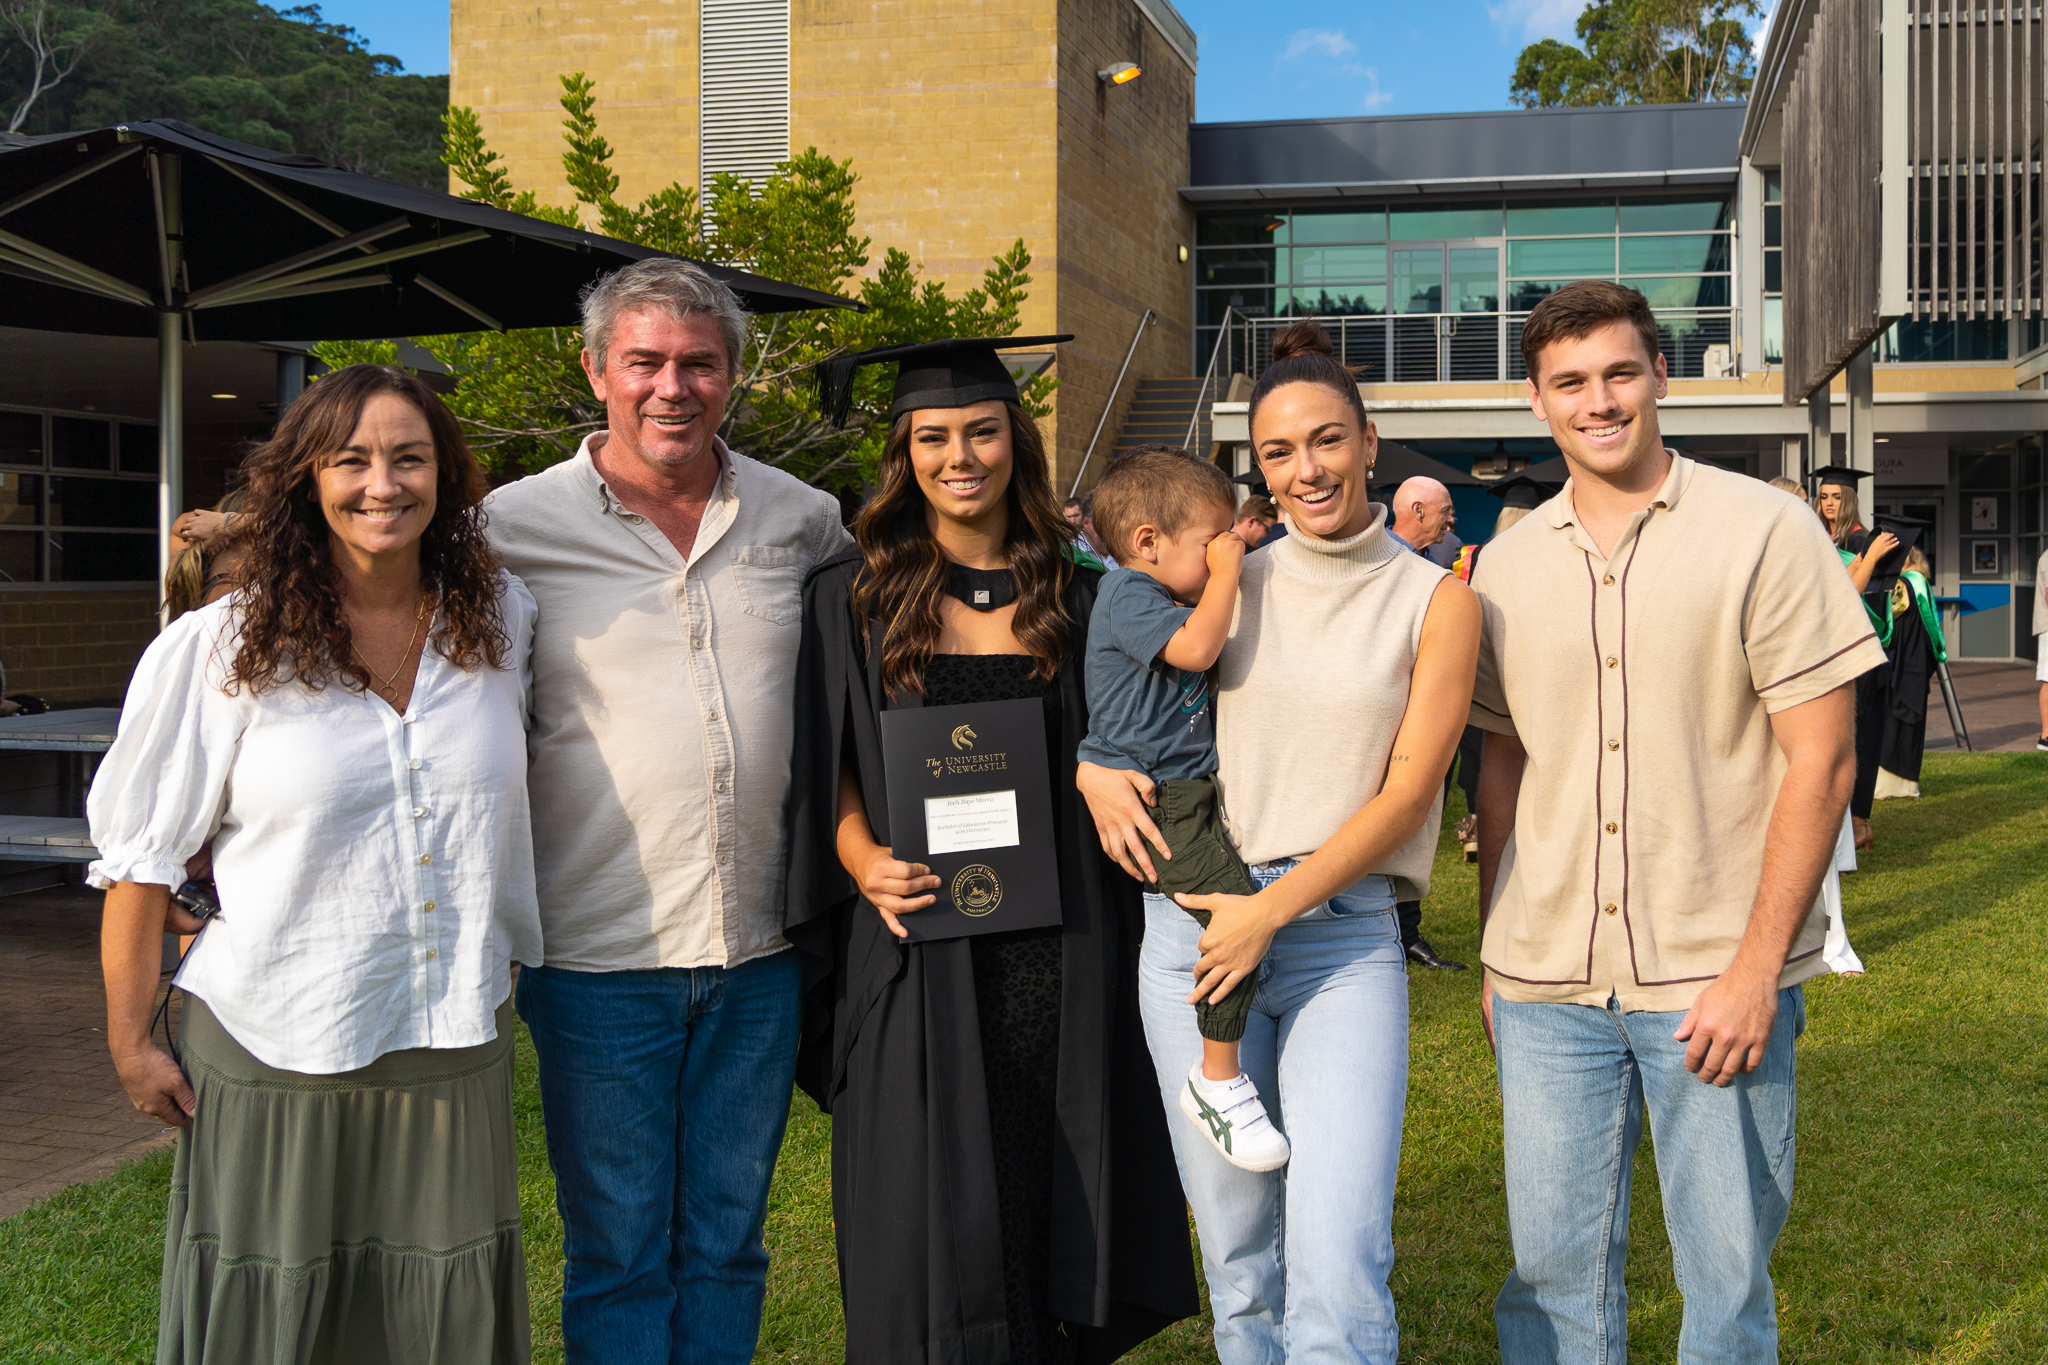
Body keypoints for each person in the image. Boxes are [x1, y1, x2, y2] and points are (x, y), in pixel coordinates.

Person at [91, 364, 541, 1362]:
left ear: (445, 478)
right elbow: (141, 866)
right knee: (277, 1316)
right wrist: (132, 1044)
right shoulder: (217, 649)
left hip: (448, 1032)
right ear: (305, 482)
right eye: (352, 461)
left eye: (408, 458)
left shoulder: (504, 623)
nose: (383, 484)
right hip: (275, 1040)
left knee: (440, 1313)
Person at [1469, 281, 1884, 1363]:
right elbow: (1502, 763)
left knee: (1723, 1280)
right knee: (1549, 1275)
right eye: (1568, 382)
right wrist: (1491, 944)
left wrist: (1755, 970)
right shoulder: (1504, 568)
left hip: (1712, 973)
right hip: (1544, 979)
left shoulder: (1765, 529)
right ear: (1534, 400)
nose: (1595, 401)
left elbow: (1821, 759)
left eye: (1617, 373)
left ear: (1658, 374)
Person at [784, 336, 1199, 1364]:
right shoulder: (854, 599)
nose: (958, 456)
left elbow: (1156, 742)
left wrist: (1107, 762)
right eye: (932, 436)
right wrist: (855, 856)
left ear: (1014, 441)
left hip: (1067, 945)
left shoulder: (1086, 596)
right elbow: (825, 763)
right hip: (920, 940)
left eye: (980, 431)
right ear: (903, 451)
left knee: (1056, 1197)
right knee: (933, 1220)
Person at [1078, 318, 1481, 1365]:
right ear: (1255, 467)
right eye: (1276, 452)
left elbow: (1407, 793)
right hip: (1195, 939)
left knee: (1339, 1254)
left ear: (1367, 441)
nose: (1305, 469)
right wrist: (1089, 760)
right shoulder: (1226, 579)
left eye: (1326, 440)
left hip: (1336, 936)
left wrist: (1271, 911)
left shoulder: (1435, 599)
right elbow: (1119, 680)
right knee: (1237, 1250)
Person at [483, 257, 852, 1363]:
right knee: (619, 1252)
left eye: (698, 364)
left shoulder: (803, 520)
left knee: (728, 1243)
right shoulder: (506, 529)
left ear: (732, 376)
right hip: (596, 958)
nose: (670, 387)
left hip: (760, 951)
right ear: (595, 369)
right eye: (643, 361)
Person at [1076, 447, 1287, 1172]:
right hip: (1157, 800)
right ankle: (1219, 1079)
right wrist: (1229, 572)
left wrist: (1222, 563)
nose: (1226, 547)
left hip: (1187, 796)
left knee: (1235, 916)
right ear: (1146, 543)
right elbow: (1198, 652)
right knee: (1236, 917)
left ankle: (1222, 1071)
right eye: (1211, 538)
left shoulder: (1158, 593)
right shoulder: (1129, 594)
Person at [1383, 471, 1467, 971]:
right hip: (1391, 721)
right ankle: (1394, 933)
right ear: (1416, 510)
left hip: (1427, 715)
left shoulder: (1428, 565)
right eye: (1445, 509)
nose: (1451, 518)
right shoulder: (1382, 563)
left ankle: (1407, 931)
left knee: (1420, 824)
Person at [1388, 474, 1454, 553]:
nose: (1451, 520)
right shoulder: (1376, 556)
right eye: (1445, 511)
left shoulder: (1431, 560)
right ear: (1418, 510)